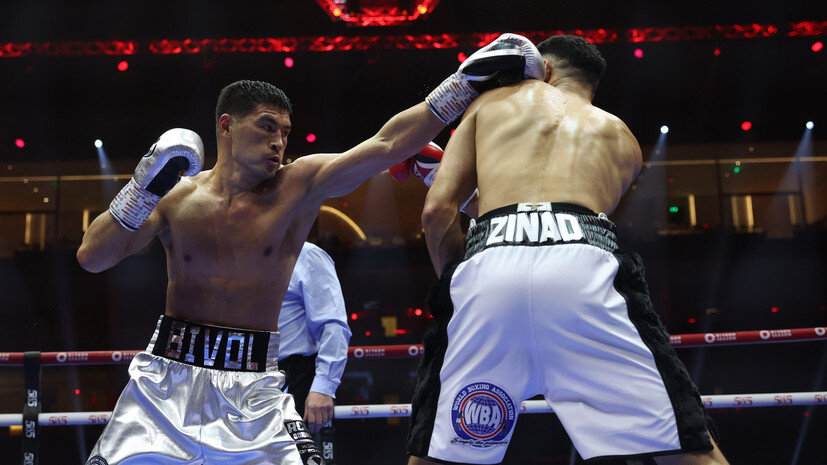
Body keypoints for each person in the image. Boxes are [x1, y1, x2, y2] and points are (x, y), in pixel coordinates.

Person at [76, 33, 544, 464]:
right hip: (164, 381)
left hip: (254, 388)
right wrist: (143, 188)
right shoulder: (176, 198)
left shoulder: (297, 187)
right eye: (265, 128)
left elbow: (385, 145)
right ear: (226, 126)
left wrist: (462, 84)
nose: (279, 142)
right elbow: (93, 257)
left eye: (285, 131)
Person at [407, 35, 730, 465]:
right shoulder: (623, 139)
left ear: (544, 70)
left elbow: (437, 212)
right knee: (688, 450)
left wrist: (460, 292)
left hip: (490, 270)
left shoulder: (489, 105)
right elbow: (563, 214)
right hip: (585, 267)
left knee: (439, 456)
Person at [279, 241, 351, 464]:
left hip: (291, 379)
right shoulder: (229, 254)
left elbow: (333, 325)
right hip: (238, 379)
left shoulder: (305, 254)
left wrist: (323, 387)